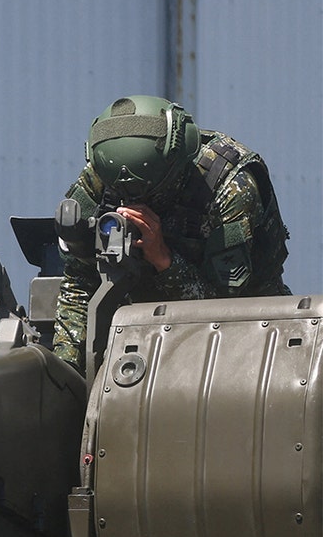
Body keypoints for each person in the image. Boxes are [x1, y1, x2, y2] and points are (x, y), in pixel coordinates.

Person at [53, 95, 291, 374]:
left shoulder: (230, 187)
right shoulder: (105, 174)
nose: (130, 199)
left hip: (248, 337)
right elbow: (79, 282)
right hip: (133, 332)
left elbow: (227, 314)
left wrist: (164, 259)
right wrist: (65, 375)